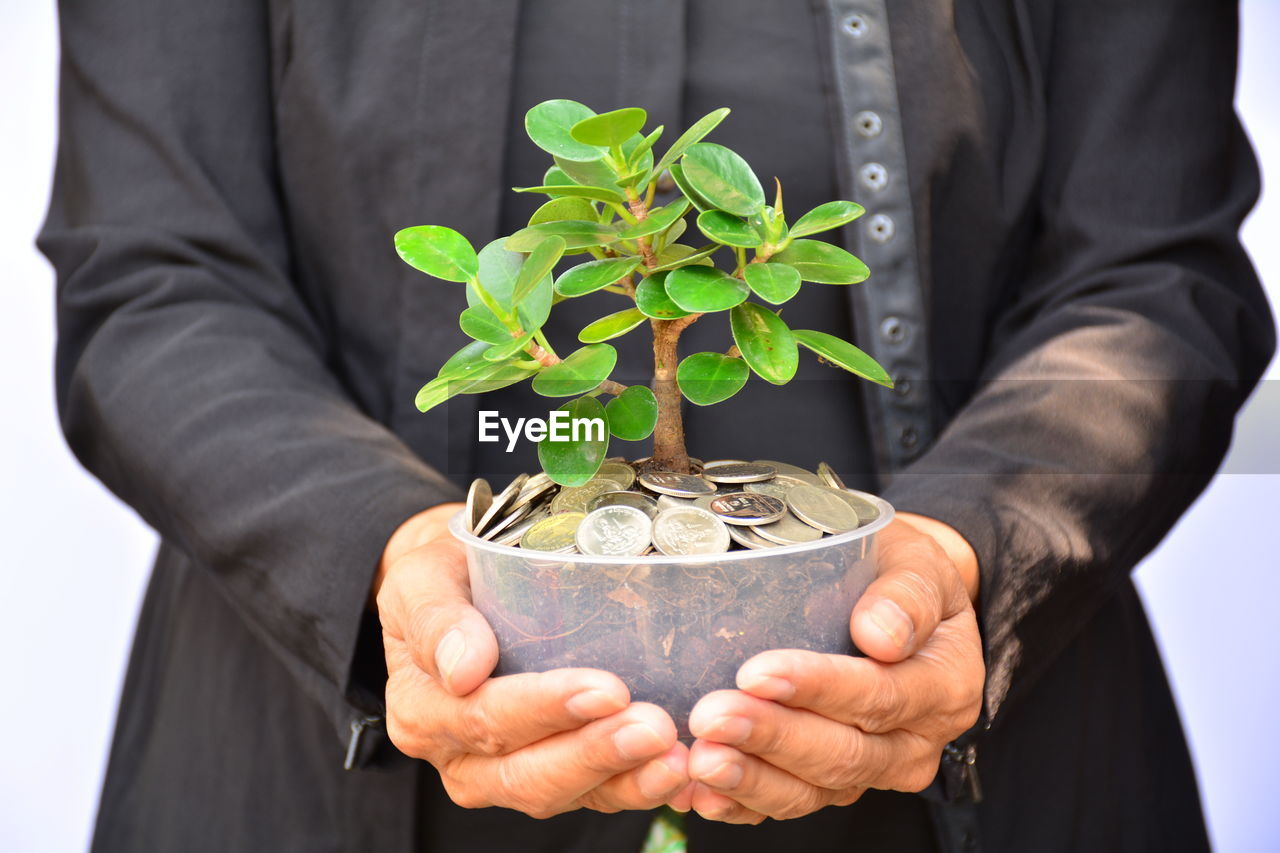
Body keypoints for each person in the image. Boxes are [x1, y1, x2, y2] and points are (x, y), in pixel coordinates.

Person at [40, 1, 1272, 851]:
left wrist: (964, 551)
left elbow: (1154, 278)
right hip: (296, 766)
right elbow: (154, 279)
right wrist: (375, 557)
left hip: (984, 751)